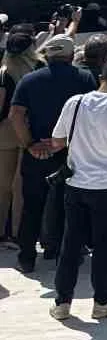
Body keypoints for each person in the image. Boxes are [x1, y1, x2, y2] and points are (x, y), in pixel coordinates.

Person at [48, 55, 107, 321]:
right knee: (104, 246)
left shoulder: (75, 102)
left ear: (102, 76)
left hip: (77, 183)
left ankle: (62, 303)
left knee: (70, 244)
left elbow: (57, 141)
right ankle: (103, 301)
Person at [9, 34, 95, 271]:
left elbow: (16, 115)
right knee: (69, 206)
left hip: (38, 153)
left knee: (32, 205)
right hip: (71, 152)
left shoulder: (30, 79)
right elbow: (91, 115)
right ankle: (63, 254)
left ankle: (27, 257)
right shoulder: (85, 78)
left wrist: (30, 144)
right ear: (71, 55)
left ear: (47, 54)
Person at [0, 28, 41, 241]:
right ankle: (18, 232)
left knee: (2, 184)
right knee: (21, 186)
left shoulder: (3, 72)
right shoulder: (39, 69)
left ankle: (1, 230)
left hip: (5, 129)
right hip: (30, 128)